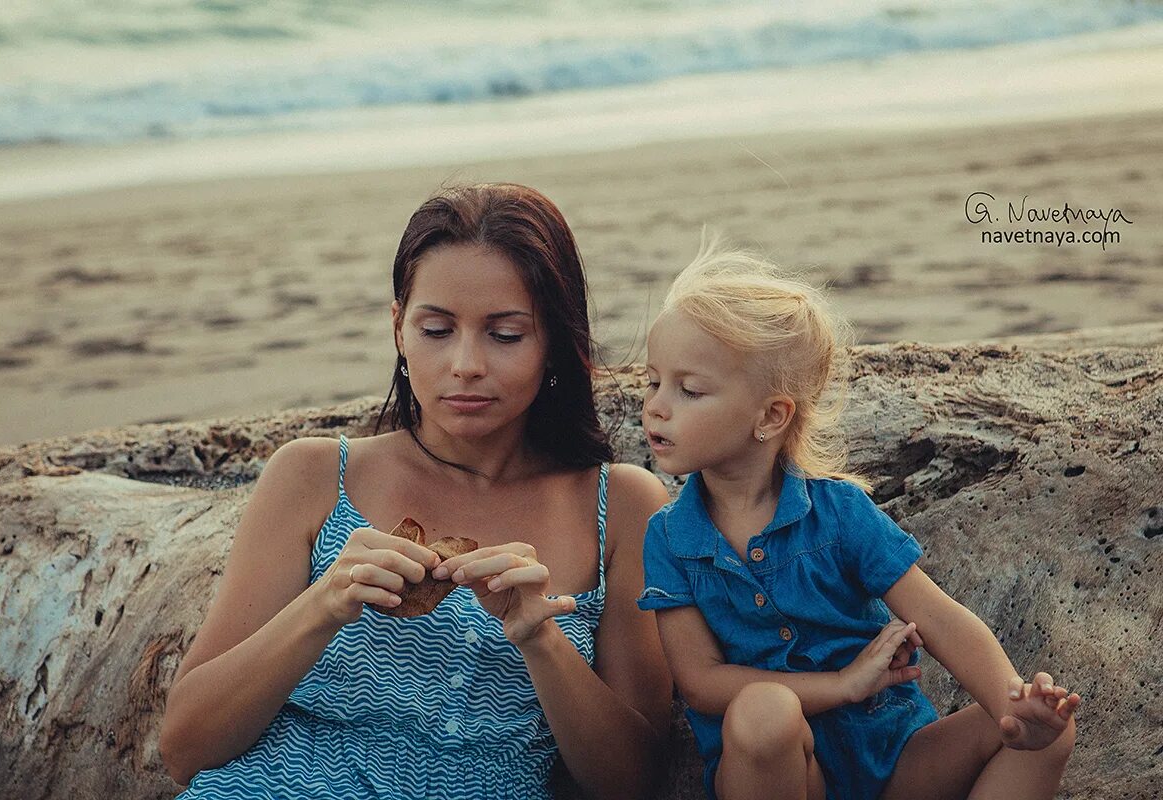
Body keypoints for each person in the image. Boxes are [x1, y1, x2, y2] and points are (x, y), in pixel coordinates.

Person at [159, 183, 673, 799]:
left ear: (555, 342)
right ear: (399, 328)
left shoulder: (618, 507)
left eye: (505, 335)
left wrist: (540, 637)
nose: (465, 364)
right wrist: (323, 605)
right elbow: (186, 746)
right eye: (436, 329)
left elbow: (635, 782)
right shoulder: (314, 477)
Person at [636, 237, 1080, 800]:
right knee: (762, 711)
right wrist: (843, 685)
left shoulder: (840, 513)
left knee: (1049, 736)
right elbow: (700, 684)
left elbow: (940, 619)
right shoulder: (670, 537)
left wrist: (1014, 705)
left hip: (894, 759)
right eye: (652, 381)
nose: (656, 404)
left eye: (689, 389)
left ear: (771, 417)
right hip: (783, 772)